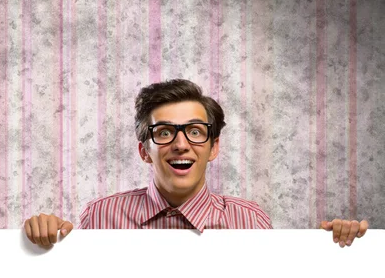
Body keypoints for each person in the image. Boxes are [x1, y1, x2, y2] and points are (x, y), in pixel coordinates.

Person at [24, 79, 369, 247]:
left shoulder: (250, 221)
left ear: (214, 146)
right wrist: (41, 242)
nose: (180, 144)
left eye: (194, 131)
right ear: (144, 151)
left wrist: (343, 248)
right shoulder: (100, 216)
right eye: (164, 133)